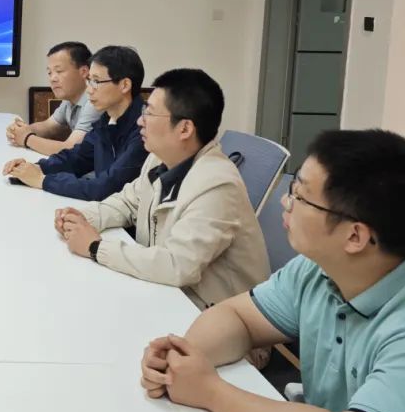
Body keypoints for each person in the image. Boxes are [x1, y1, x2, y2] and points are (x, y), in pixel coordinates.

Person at [139, 129, 405, 412]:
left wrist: (212, 392)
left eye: (300, 196)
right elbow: (239, 317)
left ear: (355, 237)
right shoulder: (319, 268)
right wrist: (183, 359)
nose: (284, 202)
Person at [55, 68, 269, 309]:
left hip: (210, 313)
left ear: (185, 129)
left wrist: (96, 247)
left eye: (149, 113)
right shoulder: (159, 158)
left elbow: (178, 265)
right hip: (166, 292)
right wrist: (80, 218)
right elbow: (127, 202)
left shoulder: (217, 184)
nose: (140, 121)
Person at [2, 45, 147, 201]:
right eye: (89, 81)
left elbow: (107, 188)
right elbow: (77, 157)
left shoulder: (145, 130)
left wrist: (42, 180)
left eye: (96, 81)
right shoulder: (107, 119)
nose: (89, 90)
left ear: (125, 85)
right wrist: (36, 167)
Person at [5, 41, 100, 155]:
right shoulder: (69, 99)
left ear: (84, 72)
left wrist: (26, 138)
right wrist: (21, 130)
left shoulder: (95, 101)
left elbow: (71, 149)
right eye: (50, 73)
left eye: (59, 71)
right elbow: (49, 126)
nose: (52, 79)